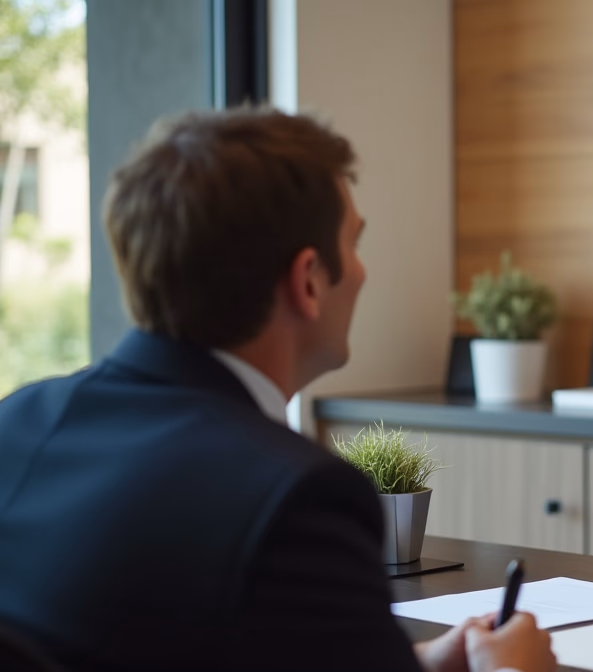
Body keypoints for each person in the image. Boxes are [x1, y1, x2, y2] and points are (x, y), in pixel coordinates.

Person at [0, 108, 556, 672]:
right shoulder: (295, 496)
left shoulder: (17, 422)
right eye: (355, 243)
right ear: (308, 280)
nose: (362, 272)